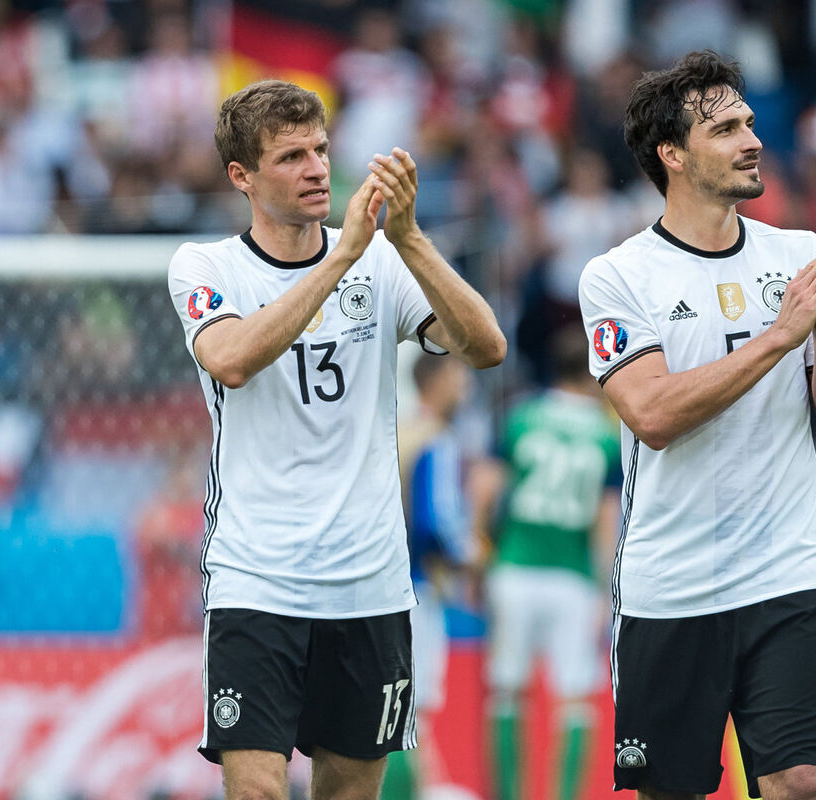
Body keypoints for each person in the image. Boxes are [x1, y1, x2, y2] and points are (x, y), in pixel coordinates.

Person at [166, 79, 505, 800]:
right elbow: (230, 359)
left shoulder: (382, 261)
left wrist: (408, 240)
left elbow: (485, 347)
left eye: (320, 150)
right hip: (256, 577)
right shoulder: (207, 266)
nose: (316, 168)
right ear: (242, 176)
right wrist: (339, 259)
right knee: (257, 791)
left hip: (369, 582)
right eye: (291, 157)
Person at [577, 51, 816, 800]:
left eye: (749, 122)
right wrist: (780, 335)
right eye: (726, 129)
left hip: (790, 572)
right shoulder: (618, 276)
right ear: (671, 155)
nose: (752, 140)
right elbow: (651, 415)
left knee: (801, 782)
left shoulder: (799, 256)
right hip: (671, 587)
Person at [479, 325, 621, 800]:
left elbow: (484, 490)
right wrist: (604, 588)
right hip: (572, 576)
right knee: (576, 697)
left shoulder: (522, 416)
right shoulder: (606, 434)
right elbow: (605, 520)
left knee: (506, 690)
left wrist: (482, 551)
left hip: (514, 566)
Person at [382, 353, 477, 800]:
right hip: (418, 588)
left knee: (391, 709)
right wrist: (473, 558)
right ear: (436, 380)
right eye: (459, 375)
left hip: (384, 587)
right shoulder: (435, 438)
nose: (466, 386)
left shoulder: (397, 431)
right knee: (410, 713)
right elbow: (436, 522)